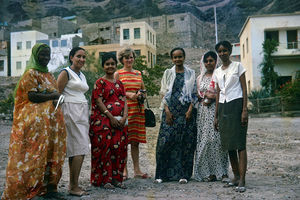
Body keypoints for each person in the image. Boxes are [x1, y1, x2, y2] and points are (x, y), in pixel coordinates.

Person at [1, 43, 66, 199]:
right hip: (34, 126)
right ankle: (31, 191)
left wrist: (57, 99)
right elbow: (31, 96)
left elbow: (54, 93)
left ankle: (49, 188)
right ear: (35, 55)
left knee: (51, 154)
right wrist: (52, 96)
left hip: (50, 125)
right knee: (35, 155)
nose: (45, 57)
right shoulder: (31, 74)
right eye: (42, 54)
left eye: (47, 54)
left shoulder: (49, 75)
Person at [155, 47, 197, 184]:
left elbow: (194, 94)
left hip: (186, 114)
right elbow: (163, 92)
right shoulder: (168, 73)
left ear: (184, 57)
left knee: (185, 143)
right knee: (165, 142)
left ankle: (183, 175)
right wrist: (166, 111)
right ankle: (162, 175)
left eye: (180, 57)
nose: (178, 59)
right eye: (175, 57)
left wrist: (190, 110)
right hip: (170, 112)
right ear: (172, 59)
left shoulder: (191, 73)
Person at [213, 41, 248, 193]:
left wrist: (244, 109)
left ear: (230, 51)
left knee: (240, 143)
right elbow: (218, 92)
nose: (222, 54)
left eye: (225, 50)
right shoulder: (217, 71)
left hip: (237, 105)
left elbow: (244, 88)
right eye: (219, 51)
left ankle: (242, 179)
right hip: (223, 107)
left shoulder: (238, 66)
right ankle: (235, 176)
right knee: (228, 144)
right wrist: (216, 115)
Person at [89, 52, 128, 189]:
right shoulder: (99, 83)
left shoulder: (120, 84)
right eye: (107, 64)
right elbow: (98, 101)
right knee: (106, 148)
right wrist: (110, 117)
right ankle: (105, 180)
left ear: (116, 65)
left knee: (120, 149)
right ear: (103, 66)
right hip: (103, 121)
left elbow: (124, 101)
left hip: (120, 122)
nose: (110, 66)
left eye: (112, 64)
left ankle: (117, 179)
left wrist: (124, 117)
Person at [57, 47, 90, 196]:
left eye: (84, 57)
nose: (81, 59)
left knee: (77, 148)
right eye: (78, 56)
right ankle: (73, 185)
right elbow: (57, 93)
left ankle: (73, 184)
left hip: (82, 110)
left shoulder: (81, 75)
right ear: (71, 57)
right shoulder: (66, 73)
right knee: (81, 147)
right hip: (70, 110)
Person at [194, 51, 229, 182]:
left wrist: (213, 96)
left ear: (216, 61)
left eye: (211, 60)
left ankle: (223, 172)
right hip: (203, 113)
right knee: (205, 142)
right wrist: (202, 97)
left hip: (217, 110)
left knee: (218, 141)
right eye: (206, 61)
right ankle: (209, 173)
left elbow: (225, 92)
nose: (209, 63)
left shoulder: (219, 76)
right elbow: (197, 94)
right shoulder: (200, 78)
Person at [114, 47, 148, 180]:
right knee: (124, 141)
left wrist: (141, 95)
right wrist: (129, 94)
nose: (130, 59)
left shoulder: (138, 73)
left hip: (137, 111)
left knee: (135, 142)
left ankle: (137, 169)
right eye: (127, 57)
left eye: (131, 57)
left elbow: (144, 90)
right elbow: (115, 92)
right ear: (122, 59)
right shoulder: (118, 74)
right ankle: (124, 170)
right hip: (124, 111)